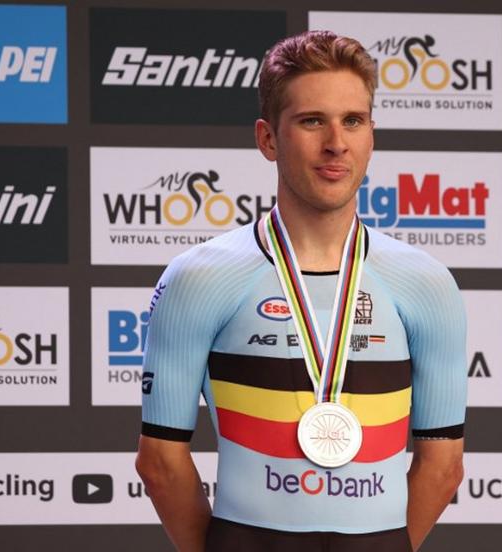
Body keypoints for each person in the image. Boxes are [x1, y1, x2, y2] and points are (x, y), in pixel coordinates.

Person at [135, 30, 467, 552]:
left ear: (371, 135)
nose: (336, 142)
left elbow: (443, 466)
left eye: (353, 121)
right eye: (313, 120)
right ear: (268, 139)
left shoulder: (426, 283)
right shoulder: (197, 277)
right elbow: (159, 463)